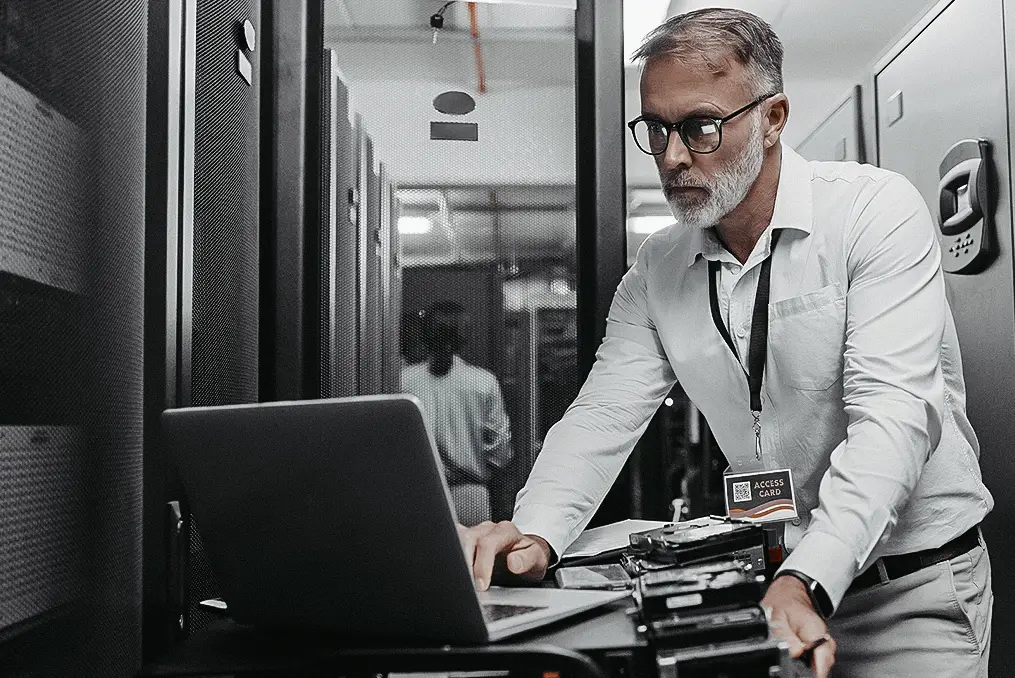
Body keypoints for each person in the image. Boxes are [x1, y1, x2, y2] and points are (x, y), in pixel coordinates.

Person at [457, 9, 993, 678]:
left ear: (771, 118)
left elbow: (891, 420)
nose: (672, 155)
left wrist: (807, 579)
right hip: (766, 593)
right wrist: (535, 532)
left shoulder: (870, 213)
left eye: (700, 126)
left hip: (904, 591)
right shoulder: (658, 268)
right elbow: (602, 415)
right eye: (655, 128)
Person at [402, 300, 514, 526]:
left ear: (426, 335)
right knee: (471, 560)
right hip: (470, 494)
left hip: (418, 494)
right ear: (463, 337)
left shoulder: (403, 380)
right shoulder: (483, 381)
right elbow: (500, 450)